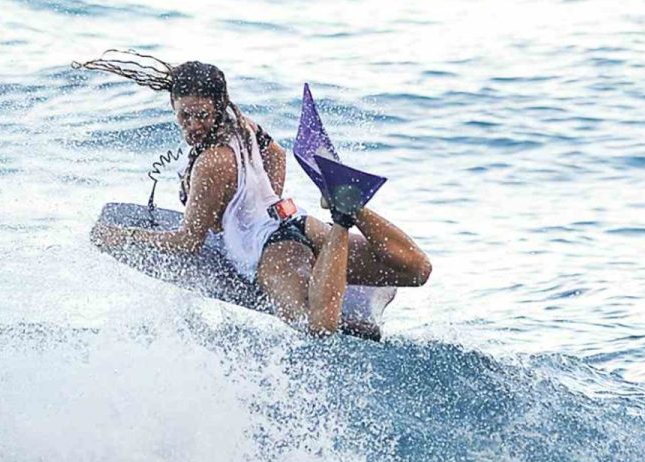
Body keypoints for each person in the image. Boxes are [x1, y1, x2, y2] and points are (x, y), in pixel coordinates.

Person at [78, 53, 430, 337]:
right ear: (173, 106)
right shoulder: (241, 124)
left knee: (313, 325)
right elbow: (276, 151)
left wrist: (123, 236)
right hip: (297, 221)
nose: (192, 125)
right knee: (416, 270)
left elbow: (187, 242)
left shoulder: (211, 163)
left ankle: (342, 218)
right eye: (184, 116)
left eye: (201, 115)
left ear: (217, 106)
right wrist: (265, 203)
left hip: (272, 250)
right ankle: (352, 209)